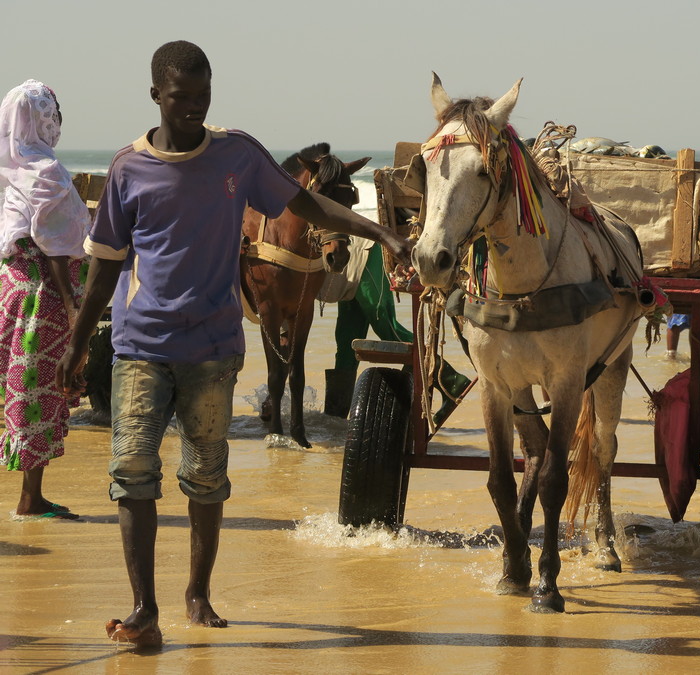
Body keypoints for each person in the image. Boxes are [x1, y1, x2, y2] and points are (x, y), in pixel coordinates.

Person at [54, 41, 408, 649]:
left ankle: (198, 593)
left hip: (214, 348)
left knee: (206, 476)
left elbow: (306, 202)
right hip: (140, 345)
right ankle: (144, 608)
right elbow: (105, 265)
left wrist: (381, 232)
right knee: (132, 472)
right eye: (181, 97)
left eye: (204, 94)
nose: (194, 106)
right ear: (156, 95)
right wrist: (78, 344)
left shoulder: (238, 155)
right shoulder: (127, 169)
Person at [0, 80, 87, 520]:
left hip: (12, 287)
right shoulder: (46, 170)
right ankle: (30, 499)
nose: (58, 121)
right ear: (41, 119)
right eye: (53, 113)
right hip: (42, 296)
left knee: (19, 385)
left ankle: (31, 496)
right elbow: (54, 243)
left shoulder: (11, 166)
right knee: (39, 389)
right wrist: (73, 308)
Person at [322, 209, 471, 424]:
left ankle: (452, 381)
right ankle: (334, 420)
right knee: (345, 342)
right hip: (347, 276)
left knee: (387, 329)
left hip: (364, 256)